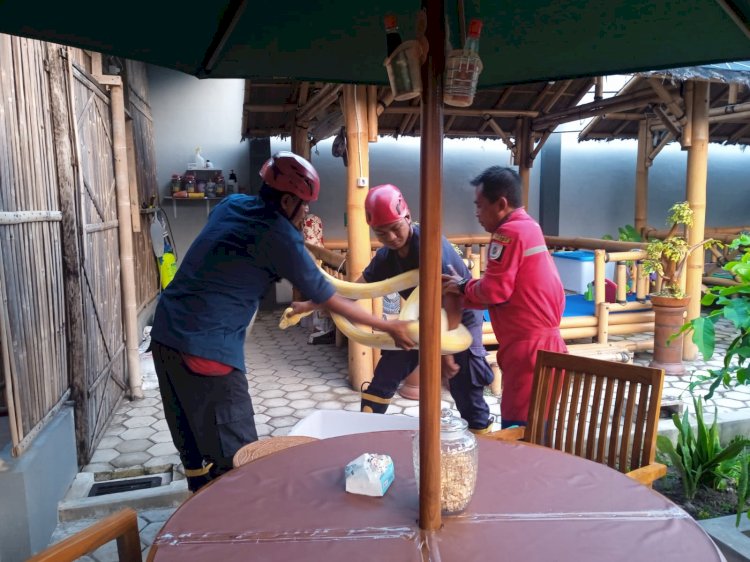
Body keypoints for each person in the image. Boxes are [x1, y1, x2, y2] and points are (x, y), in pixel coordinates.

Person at [150, 152, 415, 492]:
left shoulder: (231, 205)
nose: (306, 212)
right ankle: (239, 528)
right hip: (206, 349)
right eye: (304, 205)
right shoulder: (279, 236)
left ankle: (196, 517)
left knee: (190, 440)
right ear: (288, 200)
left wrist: (303, 301)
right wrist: (391, 327)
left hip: (165, 333)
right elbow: (330, 296)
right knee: (239, 457)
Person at [356, 183, 495, 433]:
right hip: (420, 319)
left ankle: (482, 438)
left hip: (459, 317)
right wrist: (320, 302)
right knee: (389, 368)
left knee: (463, 382)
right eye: (381, 233)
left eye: (395, 228)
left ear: (407, 217)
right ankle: (366, 430)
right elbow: (359, 287)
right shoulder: (387, 257)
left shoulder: (430, 247)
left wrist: (445, 354)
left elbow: (452, 300)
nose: (391, 238)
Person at [442, 166, 567, 428]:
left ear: (501, 204)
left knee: (518, 427)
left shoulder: (507, 234)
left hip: (528, 347)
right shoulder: (530, 226)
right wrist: (467, 286)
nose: (476, 214)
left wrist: (463, 287)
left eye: (480, 205)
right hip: (547, 343)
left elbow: (495, 291)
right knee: (539, 423)